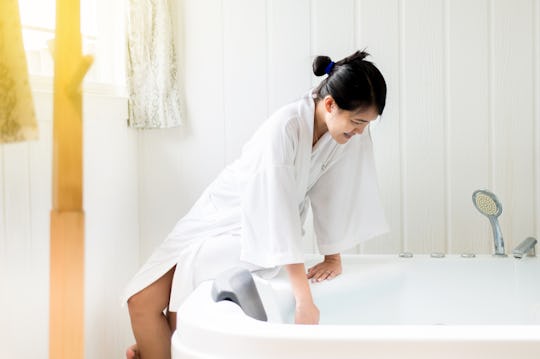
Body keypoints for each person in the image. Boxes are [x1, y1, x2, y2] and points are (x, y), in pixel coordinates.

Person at [124, 50, 389, 359]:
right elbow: (276, 212)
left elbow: (335, 192)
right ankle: (157, 349)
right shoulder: (285, 129)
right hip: (225, 213)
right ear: (330, 104)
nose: (360, 131)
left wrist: (333, 256)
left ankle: (159, 348)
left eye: (366, 124)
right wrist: (303, 299)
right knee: (140, 300)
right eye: (357, 122)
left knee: (166, 294)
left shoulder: (341, 134)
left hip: (254, 232)